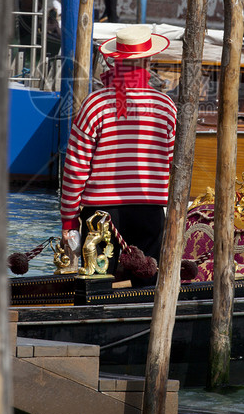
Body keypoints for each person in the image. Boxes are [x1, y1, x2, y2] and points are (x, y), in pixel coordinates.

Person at [59, 26, 176, 281]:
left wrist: (69, 220)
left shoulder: (94, 104)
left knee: (98, 285)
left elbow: (75, 168)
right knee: (146, 284)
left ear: (114, 60)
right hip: (149, 211)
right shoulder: (166, 107)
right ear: (148, 60)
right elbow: (172, 165)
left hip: (100, 215)